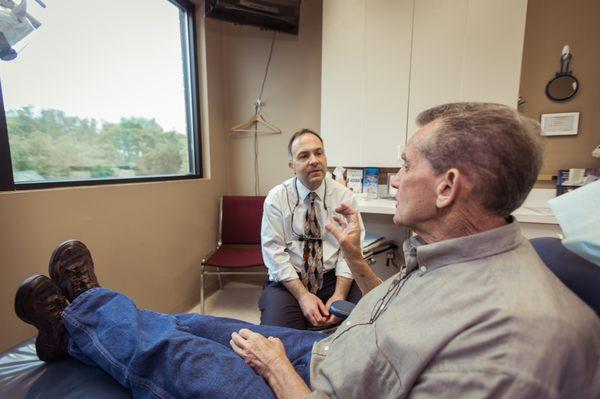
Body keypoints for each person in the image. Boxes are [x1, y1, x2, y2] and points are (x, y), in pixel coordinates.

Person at [15, 103, 600, 398]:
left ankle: (77, 314)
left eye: (402, 166)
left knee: (172, 354)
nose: (393, 181)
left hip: (318, 384)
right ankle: (83, 318)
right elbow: (397, 305)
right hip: (339, 347)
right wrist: (358, 262)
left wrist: (278, 369)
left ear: (447, 187)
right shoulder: (463, 252)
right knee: (193, 324)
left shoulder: (513, 341)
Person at [259, 128, 363, 329]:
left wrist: (340, 295)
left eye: (319, 152)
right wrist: (303, 296)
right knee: (278, 336)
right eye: (304, 156)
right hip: (290, 281)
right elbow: (274, 253)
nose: (314, 160)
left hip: (335, 278)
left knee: (365, 324)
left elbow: (349, 252)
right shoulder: (277, 198)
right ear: (292, 166)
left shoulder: (344, 197)